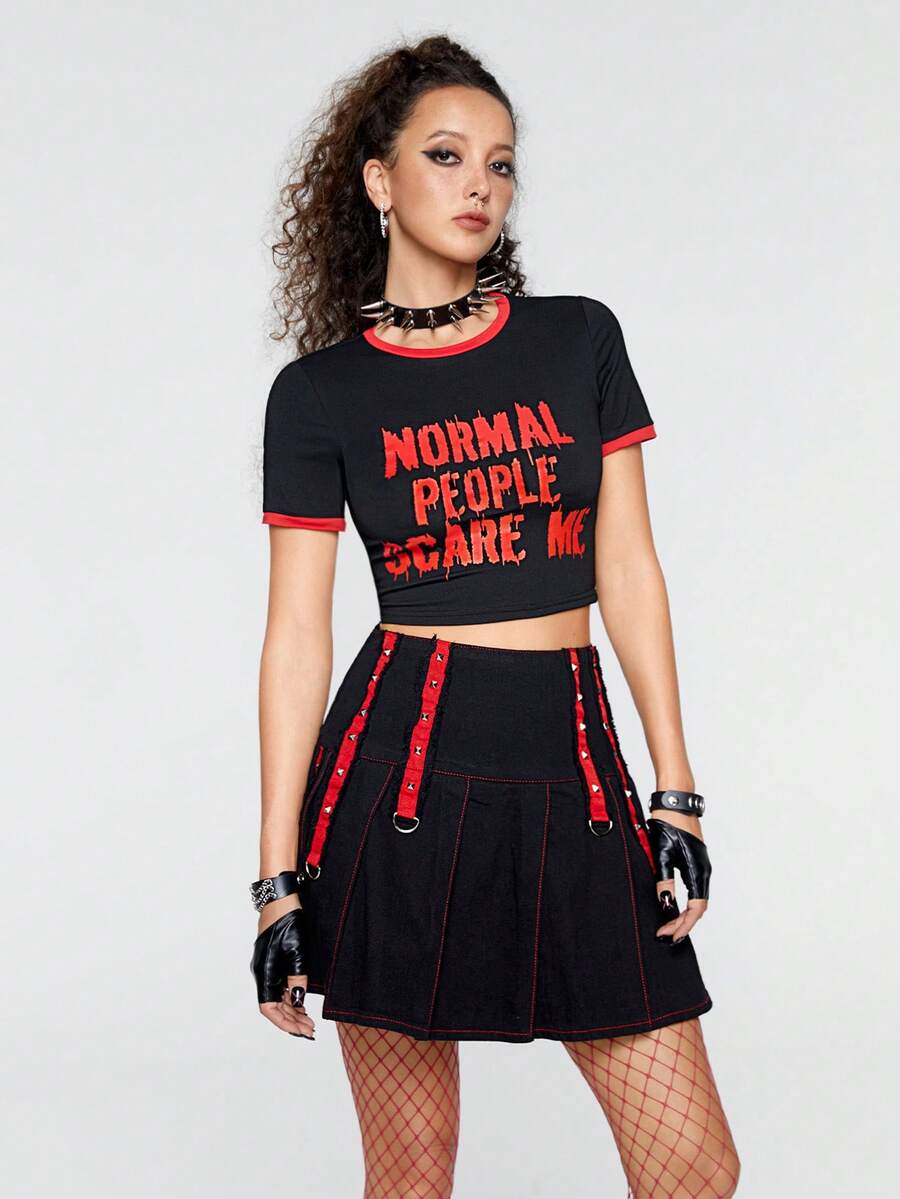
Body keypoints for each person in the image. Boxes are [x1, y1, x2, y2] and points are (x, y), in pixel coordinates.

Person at [249, 35, 740, 1199]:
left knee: (695, 1167)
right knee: (414, 1175)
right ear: (380, 180)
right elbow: (296, 638)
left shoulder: (577, 338)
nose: (480, 183)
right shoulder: (320, 394)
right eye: (447, 154)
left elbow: (629, 566)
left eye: (501, 163)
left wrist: (674, 788)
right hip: (401, 771)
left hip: (573, 761)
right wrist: (276, 881)